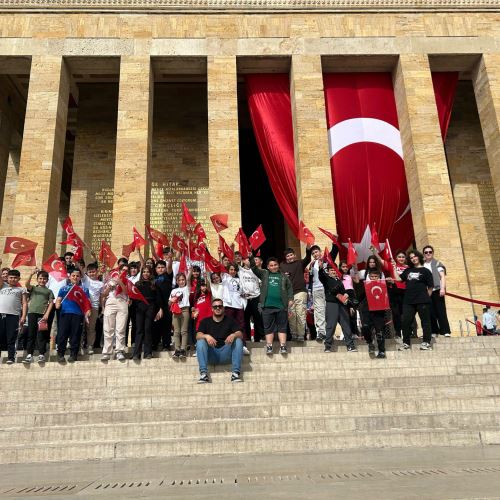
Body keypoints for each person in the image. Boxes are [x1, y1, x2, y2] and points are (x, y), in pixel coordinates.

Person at [250, 255, 293, 355]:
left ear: (278, 265)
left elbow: (289, 288)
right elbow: (254, 268)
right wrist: (251, 256)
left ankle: (283, 346)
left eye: (275, 265)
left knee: (282, 327)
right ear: (268, 267)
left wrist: (290, 299)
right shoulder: (264, 274)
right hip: (267, 306)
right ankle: (269, 346)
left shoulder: (283, 276)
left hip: (281, 306)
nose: (273, 267)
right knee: (268, 327)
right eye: (271, 265)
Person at [195, 298, 244, 383]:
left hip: (226, 353)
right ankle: (203, 374)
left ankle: (235, 373)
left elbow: (240, 334)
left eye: (220, 306)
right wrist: (206, 336)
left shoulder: (230, 320)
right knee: (200, 341)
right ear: (212, 309)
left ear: (223, 308)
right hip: (211, 354)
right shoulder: (205, 321)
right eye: (215, 307)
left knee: (238, 340)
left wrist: (234, 334)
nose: (218, 308)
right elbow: (197, 335)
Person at [393, 250, 434, 350]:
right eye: (411, 258)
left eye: (415, 256)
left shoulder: (426, 271)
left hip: (422, 300)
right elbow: (398, 279)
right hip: (408, 301)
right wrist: (394, 267)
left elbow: (430, 287)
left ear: (419, 257)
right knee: (405, 321)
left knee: (425, 322)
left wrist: (426, 298)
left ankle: (426, 342)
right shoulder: (408, 270)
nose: (413, 259)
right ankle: (406, 343)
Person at [318, 263, 356, 353]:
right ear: (328, 271)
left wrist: (347, 296)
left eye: (335, 270)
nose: (334, 271)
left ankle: (350, 345)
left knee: (346, 324)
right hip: (332, 304)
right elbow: (321, 276)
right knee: (331, 325)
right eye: (331, 270)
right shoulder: (326, 279)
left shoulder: (340, 281)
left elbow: (344, 293)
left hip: (342, 305)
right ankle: (328, 346)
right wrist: (320, 268)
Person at [55, 268, 90, 363]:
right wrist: (57, 304)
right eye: (73, 276)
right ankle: (60, 354)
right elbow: (59, 299)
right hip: (64, 313)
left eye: (77, 276)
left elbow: (87, 303)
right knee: (62, 334)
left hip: (78, 314)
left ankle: (73, 354)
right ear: (69, 277)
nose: (75, 277)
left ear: (80, 278)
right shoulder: (64, 288)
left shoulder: (84, 289)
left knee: (75, 335)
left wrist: (87, 314)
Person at [308, 244, 338, 342]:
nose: (315, 254)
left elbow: (334, 251)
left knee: (328, 311)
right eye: (313, 253)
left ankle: (329, 333)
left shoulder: (327, 260)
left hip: (326, 289)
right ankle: (321, 332)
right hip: (316, 289)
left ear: (320, 251)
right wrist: (310, 290)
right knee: (319, 311)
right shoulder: (312, 264)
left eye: (316, 252)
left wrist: (334, 242)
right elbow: (311, 277)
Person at [23, 269, 54, 363]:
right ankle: (29, 355)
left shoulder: (49, 291)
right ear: (37, 279)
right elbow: (26, 284)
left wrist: (47, 314)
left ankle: (41, 354)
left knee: (42, 335)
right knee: (31, 334)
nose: (42, 280)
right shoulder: (33, 288)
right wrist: (31, 273)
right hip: (32, 313)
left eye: (44, 279)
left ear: (47, 280)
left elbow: (51, 303)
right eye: (40, 278)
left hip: (42, 315)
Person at [280, 247, 311, 342]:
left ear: (294, 255)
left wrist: (308, 249)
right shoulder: (282, 265)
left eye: (291, 255)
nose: (289, 257)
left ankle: (301, 335)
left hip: (300, 292)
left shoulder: (299, 263)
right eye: (287, 256)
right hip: (289, 294)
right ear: (285, 257)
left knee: (300, 313)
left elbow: (308, 259)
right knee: (292, 315)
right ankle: (294, 334)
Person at [133, 266, 163, 359]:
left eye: (148, 272)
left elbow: (158, 298)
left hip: (150, 306)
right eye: (144, 272)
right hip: (140, 307)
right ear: (141, 273)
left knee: (148, 329)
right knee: (139, 330)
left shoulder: (154, 284)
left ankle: (148, 353)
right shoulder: (137, 284)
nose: (146, 273)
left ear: (150, 273)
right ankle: (136, 353)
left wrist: (160, 308)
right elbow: (134, 297)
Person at [101, 264, 129, 362]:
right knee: (108, 328)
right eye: (123, 270)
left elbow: (126, 292)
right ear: (119, 270)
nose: (124, 272)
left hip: (122, 302)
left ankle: (119, 351)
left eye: (126, 271)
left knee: (120, 329)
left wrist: (120, 282)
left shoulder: (128, 280)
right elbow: (103, 294)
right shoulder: (111, 278)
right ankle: (107, 352)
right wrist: (109, 286)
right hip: (111, 302)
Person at [0, 266, 28, 364]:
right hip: (1, 315)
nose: (13, 279)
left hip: (14, 316)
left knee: (11, 337)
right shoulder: (2, 286)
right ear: (7, 278)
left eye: (15, 277)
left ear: (19, 279)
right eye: (11, 277)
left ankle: (11, 358)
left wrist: (23, 316)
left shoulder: (21, 289)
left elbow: (24, 303)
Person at [358, 268, 388, 358]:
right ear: (369, 277)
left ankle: (381, 351)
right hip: (367, 311)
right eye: (372, 276)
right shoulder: (364, 285)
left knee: (380, 332)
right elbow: (359, 298)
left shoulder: (383, 286)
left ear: (379, 277)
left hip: (379, 312)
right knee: (366, 328)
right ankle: (370, 342)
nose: (374, 278)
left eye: (376, 276)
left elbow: (387, 298)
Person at [423, 245, 451, 337]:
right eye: (426, 252)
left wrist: (443, 288)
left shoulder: (437, 263)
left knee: (441, 311)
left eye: (430, 252)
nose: (428, 253)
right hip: (427, 291)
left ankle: (445, 331)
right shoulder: (422, 264)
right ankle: (434, 331)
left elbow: (442, 276)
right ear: (424, 254)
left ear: (432, 253)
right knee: (430, 311)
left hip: (437, 290)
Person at [80, 262, 103, 355]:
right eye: (90, 272)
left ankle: (90, 346)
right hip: (83, 307)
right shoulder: (86, 280)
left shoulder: (101, 284)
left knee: (91, 328)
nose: (92, 274)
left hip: (94, 307)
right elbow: (81, 270)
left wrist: (103, 308)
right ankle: (80, 345)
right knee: (81, 327)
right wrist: (76, 262)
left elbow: (102, 297)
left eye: (93, 272)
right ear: (87, 273)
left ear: (97, 272)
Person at [239, 256, 264, 343]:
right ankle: (247, 338)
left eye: (251, 260)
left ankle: (259, 337)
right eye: (247, 259)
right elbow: (233, 261)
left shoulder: (256, 271)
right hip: (245, 298)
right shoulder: (240, 270)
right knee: (245, 318)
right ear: (243, 260)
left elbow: (261, 284)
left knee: (258, 317)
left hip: (256, 297)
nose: (249, 261)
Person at [169, 272, 190, 358]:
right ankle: (177, 349)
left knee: (183, 331)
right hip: (175, 311)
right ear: (177, 281)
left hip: (185, 310)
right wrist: (172, 300)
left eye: (183, 280)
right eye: (179, 280)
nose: (181, 282)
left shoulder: (186, 288)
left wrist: (190, 271)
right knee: (176, 331)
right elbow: (169, 303)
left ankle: (183, 349)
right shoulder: (173, 290)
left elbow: (189, 279)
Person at [221, 263, 246, 335]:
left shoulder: (240, 279)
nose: (233, 271)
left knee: (241, 325)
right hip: (229, 305)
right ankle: (229, 342)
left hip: (239, 305)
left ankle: (242, 343)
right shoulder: (225, 277)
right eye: (231, 269)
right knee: (228, 324)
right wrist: (219, 255)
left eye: (235, 270)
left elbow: (242, 291)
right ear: (228, 270)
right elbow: (221, 267)